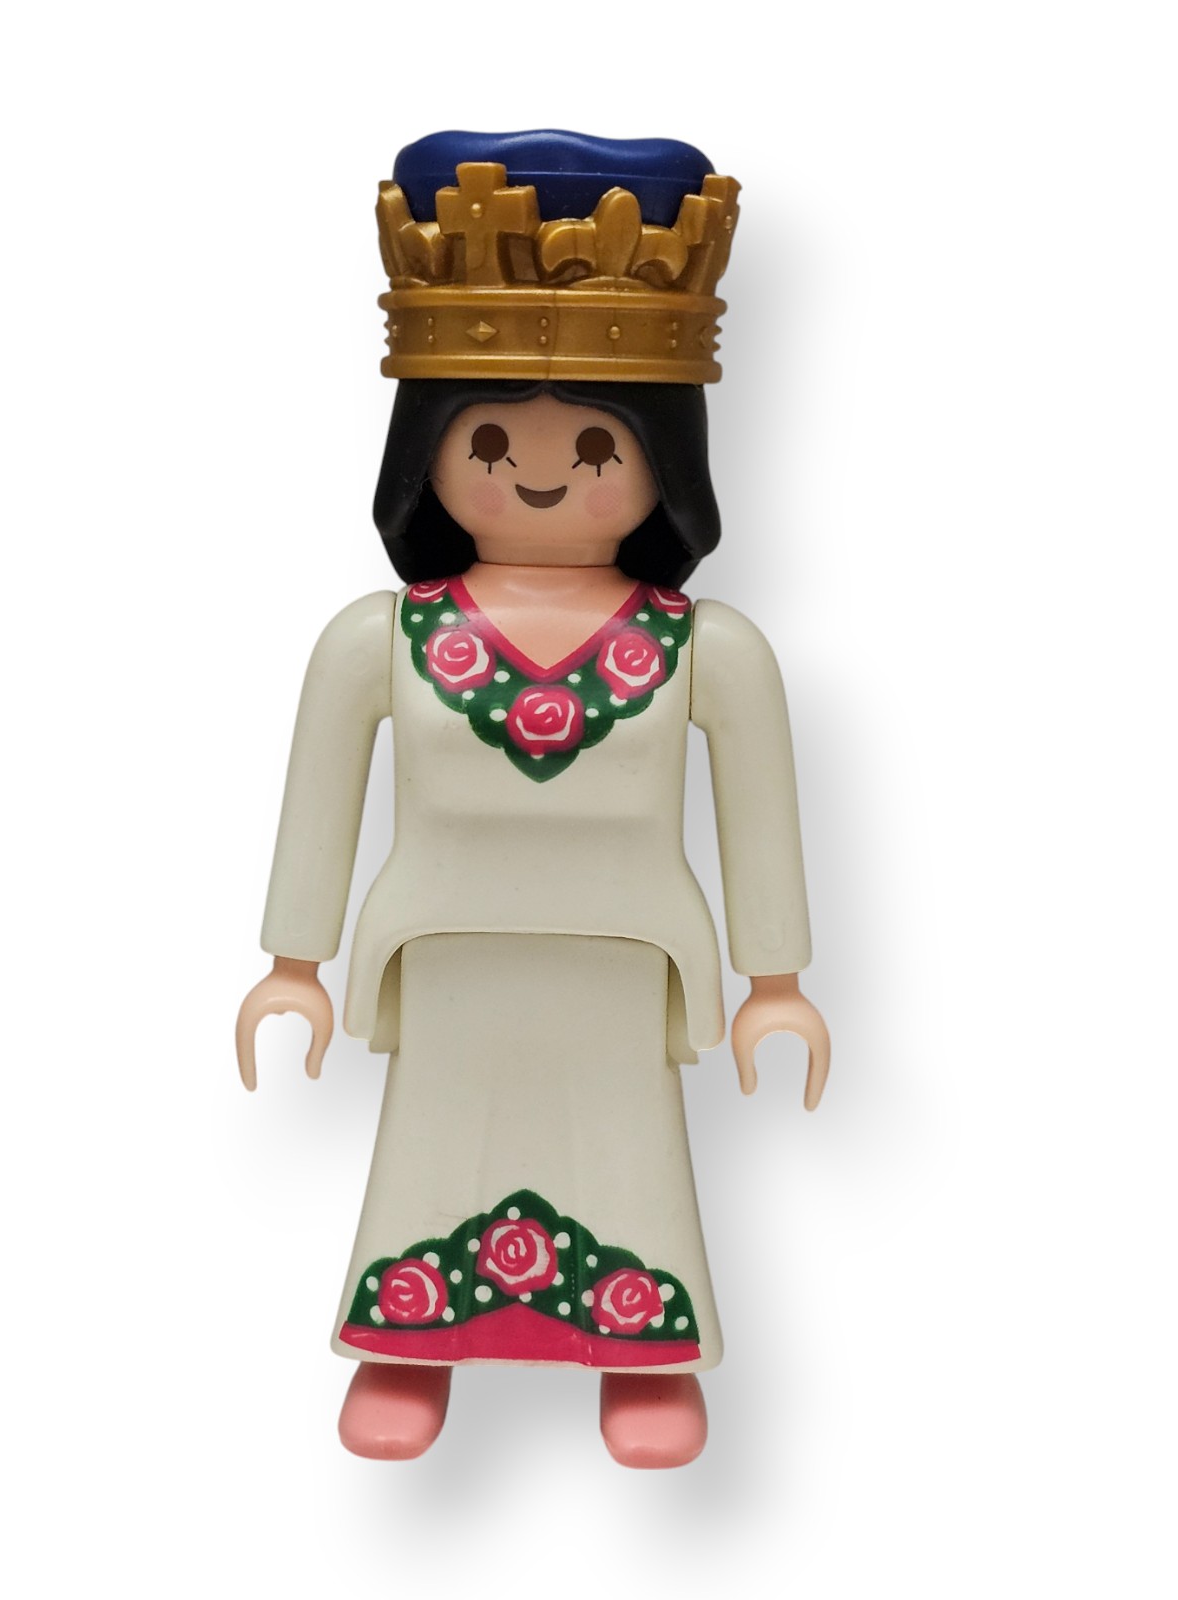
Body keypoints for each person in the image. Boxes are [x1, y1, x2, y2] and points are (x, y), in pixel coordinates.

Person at [235, 132, 829, 1469]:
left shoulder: (705, 649)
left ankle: (638, 1347)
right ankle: (411, 1340)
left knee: (628, 1147)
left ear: (665, 459)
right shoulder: (382, 638)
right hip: (446, 947)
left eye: (598, 443)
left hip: (626, 956)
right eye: (492, 439)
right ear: (427, 454)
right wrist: (293, 963)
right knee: (431, 1140)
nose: (542, 473)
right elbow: (319, 793)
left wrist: (776, 982)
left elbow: (761, 812)